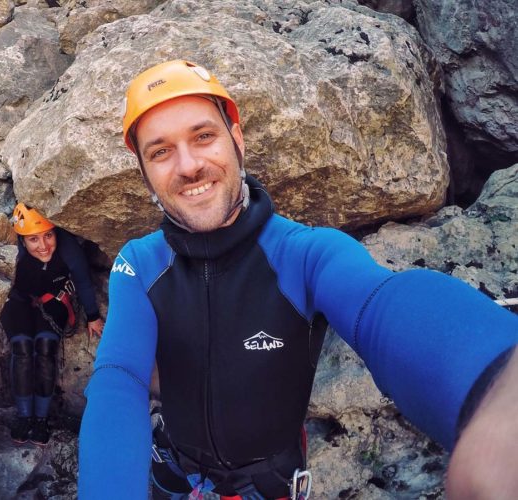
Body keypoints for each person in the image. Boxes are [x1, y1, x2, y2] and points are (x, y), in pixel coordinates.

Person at [78, 60, 518, 498]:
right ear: (145, 175)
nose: (189, 165)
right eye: (160, 151)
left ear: (237, 139)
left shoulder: (306, 253)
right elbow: (119, 376)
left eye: (203, 136)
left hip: (268, 486)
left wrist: (495, 379)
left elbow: (379, 304)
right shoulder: (139, 264)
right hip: (172, 473)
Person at [1, 202, 104, 446]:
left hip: (54, 299)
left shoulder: (67, 248)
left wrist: (92, 315)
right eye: (34, 239)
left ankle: (41, 418)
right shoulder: (13, 250)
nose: (44, 246)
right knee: (23, 348)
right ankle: (24, 416)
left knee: (46, 347)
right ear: (22, 240)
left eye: (48, 236)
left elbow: (82, 281)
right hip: (19, 301)